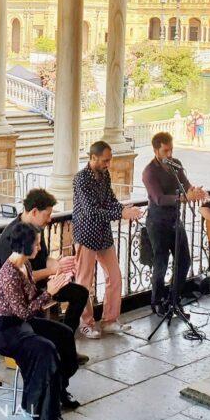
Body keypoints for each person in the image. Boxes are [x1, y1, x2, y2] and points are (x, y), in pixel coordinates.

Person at [0, 221, 79, 420]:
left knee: (63, 334)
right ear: (25, 246)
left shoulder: (24, 264)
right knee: (45, 350)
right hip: (3, 331)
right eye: (36, 244)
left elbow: (31, 299)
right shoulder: (9, 275)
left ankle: (60, 388)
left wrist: (57, 284)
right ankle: (41, 412)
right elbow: (24, 313)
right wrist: (50, 293)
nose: (39, 248)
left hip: (19, 324)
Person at [73, 141, 143, 339]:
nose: (108, 164)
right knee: (83, 283)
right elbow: (91, 211)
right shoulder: (81, 179)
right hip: (86, 234)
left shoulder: (105, 175)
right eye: (105, 160)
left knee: (114, 276)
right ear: (93, 157)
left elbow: (111, 200)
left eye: (109, 160)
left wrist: (125, 210)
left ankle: (110, 320)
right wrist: (122, 214)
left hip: (103, 233)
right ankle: (85, 323)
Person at [0, 188, 88, 332]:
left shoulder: (37, 229)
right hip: (23, 295)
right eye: (47, 214)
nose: (50, 219)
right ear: (34, 212)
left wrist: (58, 264)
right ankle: (57, 340)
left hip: (41, 285)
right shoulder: (11, 237)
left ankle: (66, 337)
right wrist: (51, 271)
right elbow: (19, 278)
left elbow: (43, 256)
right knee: (40, 322)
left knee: (80, 293)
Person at [141, 132, 207, 314]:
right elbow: (159, 198)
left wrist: (194, 191)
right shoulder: (149, 172)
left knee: (184, 260)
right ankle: (157, 301)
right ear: (156, 150)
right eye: (165, 150)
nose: (169, 154)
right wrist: (185, 198)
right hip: (157, 223)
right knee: (160, 263)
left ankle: (174, 298)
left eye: (171, 149)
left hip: (174, 220)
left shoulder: (176, 164)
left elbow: (185, 184)